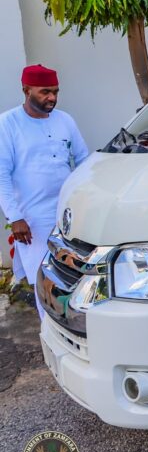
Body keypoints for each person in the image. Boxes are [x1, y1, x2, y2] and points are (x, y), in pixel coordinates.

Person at [0, 65, 89, 319]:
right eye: (45, 92)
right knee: (44, 281)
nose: (52, 98)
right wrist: (15, 217)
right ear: (26, 90)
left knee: (76, 278)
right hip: (33, 220)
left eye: (55, 92)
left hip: (69, 212)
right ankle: (50, 337)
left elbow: (83, 160)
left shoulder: (65, 120)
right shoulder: (8, 124)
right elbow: (1, 175)